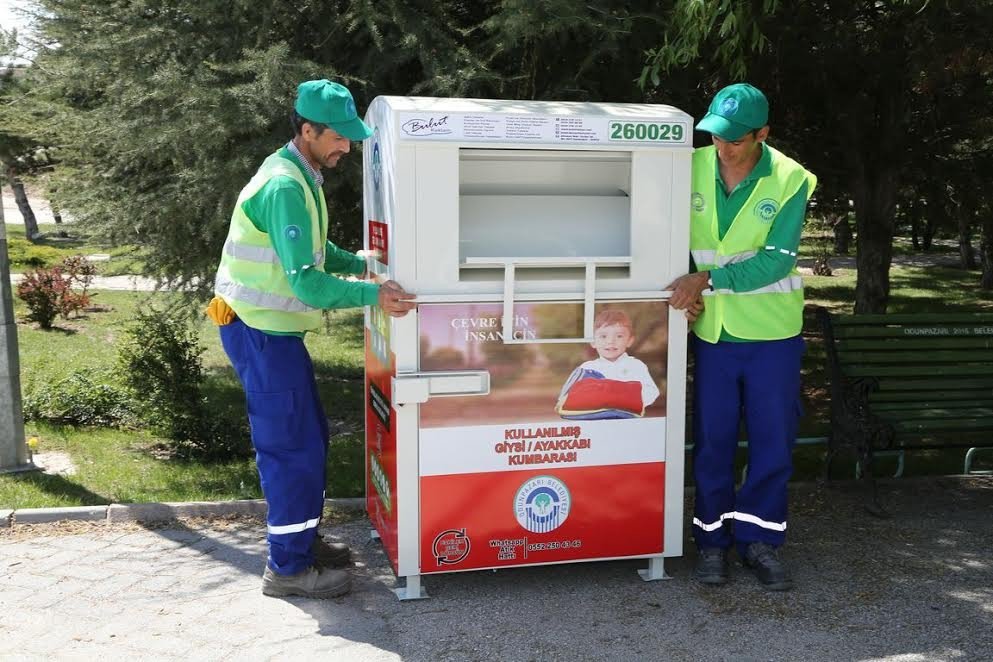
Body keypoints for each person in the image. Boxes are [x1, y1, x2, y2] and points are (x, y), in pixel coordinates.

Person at [207, 79, 415, 599]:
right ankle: (288, 570)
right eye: (339, 137)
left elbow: (315, 250)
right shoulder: (284, 186)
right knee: (291, 449)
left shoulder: (301, 174)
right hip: (260, 334)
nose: (347, 146)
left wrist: (362, 262)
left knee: (309, 439)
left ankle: (303, 545)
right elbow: (305, 281)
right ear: (308, 130)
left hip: (269, 333)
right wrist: (374, 295)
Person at [667, 83, 816, 591]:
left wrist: (706, 280)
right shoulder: (684, 168)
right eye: (716, 136)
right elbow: (668, 240)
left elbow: (778, 259)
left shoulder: (791, 178)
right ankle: (712, 543)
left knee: (772, 442)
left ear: (762, 134)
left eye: (735, 139)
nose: (723, 147)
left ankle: (760, 541)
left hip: (773, 335)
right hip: (713, 335)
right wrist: (684, 295)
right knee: (712, 441)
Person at [556, 309, 660, 420]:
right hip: (593, 423)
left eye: (619, 336)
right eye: (603, 336)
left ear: (629, 340)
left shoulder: (635, 365)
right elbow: (569, 398)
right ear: (593, 341)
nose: (611, 341)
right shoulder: (587, 368)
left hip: (627, 423)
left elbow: (652, 392)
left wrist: (621, 398)